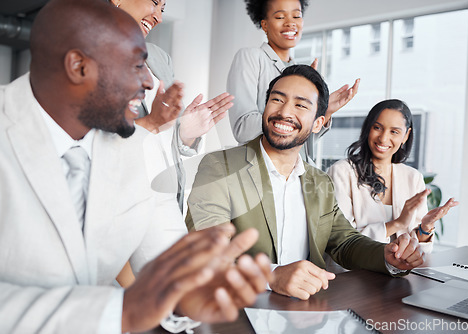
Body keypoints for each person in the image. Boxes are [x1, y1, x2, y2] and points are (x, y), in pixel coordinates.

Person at [0, 0, 272, 333]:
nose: (148, 83)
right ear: (78, 66)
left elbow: (169, 265)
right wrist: (122, 310)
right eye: (136, 65)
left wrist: (191, 292)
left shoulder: (139, 149)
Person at [186, 65, 425, 301]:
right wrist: (270, 277)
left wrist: (387, 255)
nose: (285, 112)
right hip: (238, 310)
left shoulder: (319, 181)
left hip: (306, 313)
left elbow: (345, 242)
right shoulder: (220, 166)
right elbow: (204, 253)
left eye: (300, 105)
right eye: (277, 100)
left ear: (318, 123)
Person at [110, 0, 235, 212]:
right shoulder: (91, 53)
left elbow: (165, 134)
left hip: (166, 199)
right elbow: (98, 144)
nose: (158, 16)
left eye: (163, 9)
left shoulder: (159, 58)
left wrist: (185, 132)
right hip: (126, 199)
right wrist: (151, 123)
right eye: (155, 2)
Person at [227, 0, 360, 163]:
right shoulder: (251, 57)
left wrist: (322, 112)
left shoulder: (299, 69)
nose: (290, 23)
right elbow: (243, 128)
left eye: (296, 16)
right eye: (280, 17)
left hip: (298, 174)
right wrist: (291, 116)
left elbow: (300, 144)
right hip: (262, 169)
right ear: (265, 24)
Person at [327, 99, 458, 253]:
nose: (383, 138)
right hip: (353, 273)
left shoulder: (413, 177)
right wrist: (398, 224)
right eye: (377, 128)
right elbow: (341, 241)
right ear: (368, 128)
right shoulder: (342, 172)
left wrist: (425, 227)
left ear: (406, 136)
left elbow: (421, 250)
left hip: (399, 272)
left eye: (394, 132)